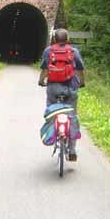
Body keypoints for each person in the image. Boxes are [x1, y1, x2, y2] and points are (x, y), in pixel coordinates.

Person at [38, 28, 85, 161]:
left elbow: (45, 69)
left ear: (54, 39)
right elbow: (80, 70)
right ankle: (72, 149)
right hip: (70, 89)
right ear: (67, 39)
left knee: (51, 112)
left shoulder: (49, 51)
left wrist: (41, 81)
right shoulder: (74, 51)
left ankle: (52, 134)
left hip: (53, 88)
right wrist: (82, 82)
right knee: (72, 115)